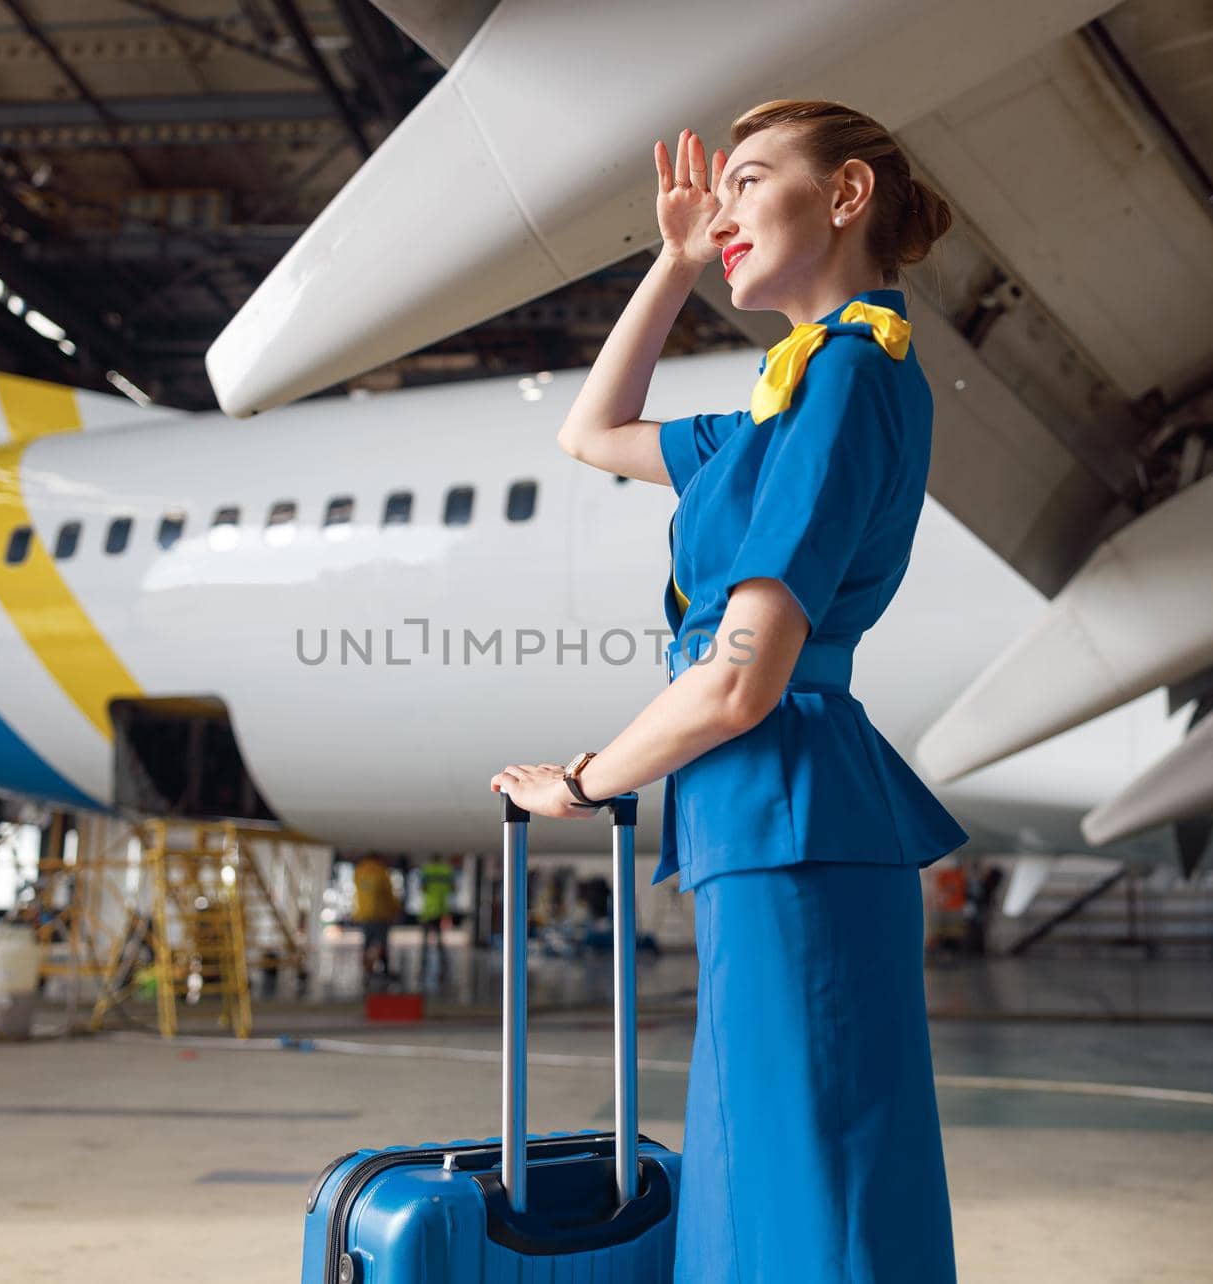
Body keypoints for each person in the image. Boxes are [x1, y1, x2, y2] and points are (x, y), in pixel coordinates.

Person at [489, 100, 969, 1282]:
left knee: (810, 1178)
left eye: (751, 182)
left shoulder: (850, 374)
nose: (725, 208)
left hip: (786, 806)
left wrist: (587, 782)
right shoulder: (782, 399)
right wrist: (674, 261)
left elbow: (740, 680)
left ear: (846, 196)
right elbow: (593, 432)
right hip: (766, 819)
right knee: (773, 1165)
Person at [352, 854, 400, 984]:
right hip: (380, 914)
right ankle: (384, 970)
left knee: (367, 943)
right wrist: (395, 909)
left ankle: (367, 971)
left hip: (364, 914)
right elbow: (389, 895)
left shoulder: (359, 871)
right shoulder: (381, 872)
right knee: (382, 943)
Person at [417, 856, 454, 976]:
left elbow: (422, 888)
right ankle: (443, 966)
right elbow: (452, 889)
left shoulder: (426, 870)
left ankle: (423, 965)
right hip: (441, 910)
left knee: (425, 942)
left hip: (428, 910)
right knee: (439, 941)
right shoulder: (446, 870)